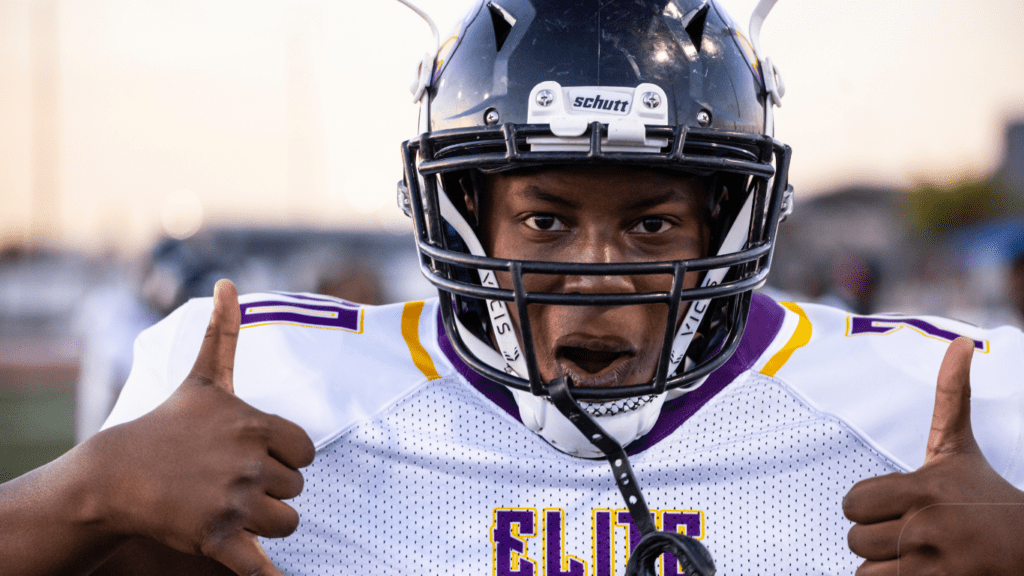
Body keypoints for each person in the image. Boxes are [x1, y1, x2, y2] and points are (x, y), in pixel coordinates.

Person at [2, 0, 1024, 574]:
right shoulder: (259, 384)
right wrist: (88, 496)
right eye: (543, 217)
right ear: (462, 215)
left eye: (651, 222)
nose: (593, 270)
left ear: (730, 218)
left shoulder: (947, 404)